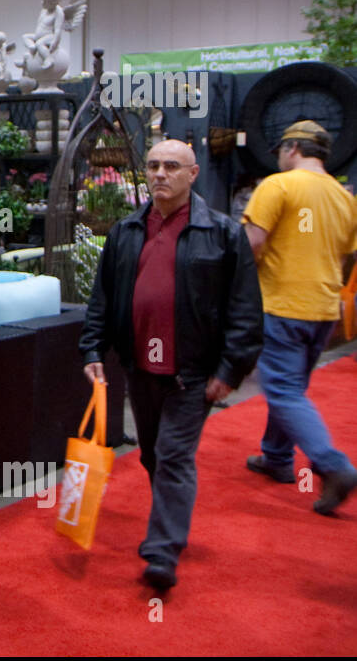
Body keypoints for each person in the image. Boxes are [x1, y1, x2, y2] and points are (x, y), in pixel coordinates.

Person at [80, 139, 262, 591]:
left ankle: (162, 551)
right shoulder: (125, 231)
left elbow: (245, 311)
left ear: (193, 174)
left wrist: (229, 372)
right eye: (154, 166)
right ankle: (169, 519)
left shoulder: (222, 233)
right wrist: (92, 351)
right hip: (140, 368)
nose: (160, 174)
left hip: (192, 374)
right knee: (152, 454)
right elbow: (101, 300)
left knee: (175, 457)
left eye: (172, 166)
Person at [241, 120, 357, 514]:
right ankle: (276, 457)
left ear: (292, 149)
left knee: (284, 390)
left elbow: (252, 244)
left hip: (282, 306)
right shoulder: (345, 198)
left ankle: (333, 466)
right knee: (290, 386)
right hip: (323, 309)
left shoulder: (278, 186)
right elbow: (343, 257)